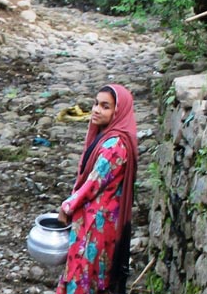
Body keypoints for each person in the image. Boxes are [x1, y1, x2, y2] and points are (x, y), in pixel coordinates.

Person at [56, 84, 138, 294]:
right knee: (85, 272)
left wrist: (68, 206)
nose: (96, 110)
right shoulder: (104, 138)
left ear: (118, 112)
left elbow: (93, 184)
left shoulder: (115, 146)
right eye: (95, 104)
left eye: (105, 106)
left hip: (97, 222)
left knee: (85, 272)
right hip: (94, 218)